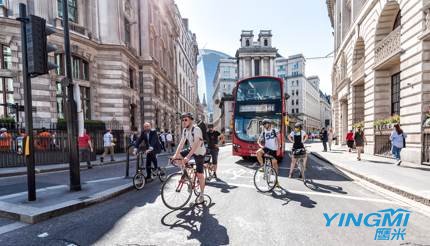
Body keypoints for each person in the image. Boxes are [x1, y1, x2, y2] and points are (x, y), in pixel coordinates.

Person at [172, 112, 207, 204]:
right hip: (192, 149)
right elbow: (181, 143)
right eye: (182, 120)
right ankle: (188, 178)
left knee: (200, 175)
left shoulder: (196, 129)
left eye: (186, 119)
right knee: (179, 157)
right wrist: (175, 156)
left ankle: (202, 195)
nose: (184, 121)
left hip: (199, 152)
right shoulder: (184, 130)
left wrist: (188, 157)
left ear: (191, 120)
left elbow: (196, 144)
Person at [256, 119, 280, 185]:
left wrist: (278, 149)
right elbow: (258, 141)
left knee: (275, 165)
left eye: (265, 124)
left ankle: (276, 180)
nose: (264, 125)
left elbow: (278, 139)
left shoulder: (275, 130)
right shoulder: (263, 131)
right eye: (263, 124)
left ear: (269, 123)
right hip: (266, 148)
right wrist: (261, 146)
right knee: (258, 152)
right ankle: (262, 166)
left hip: (273, 150)